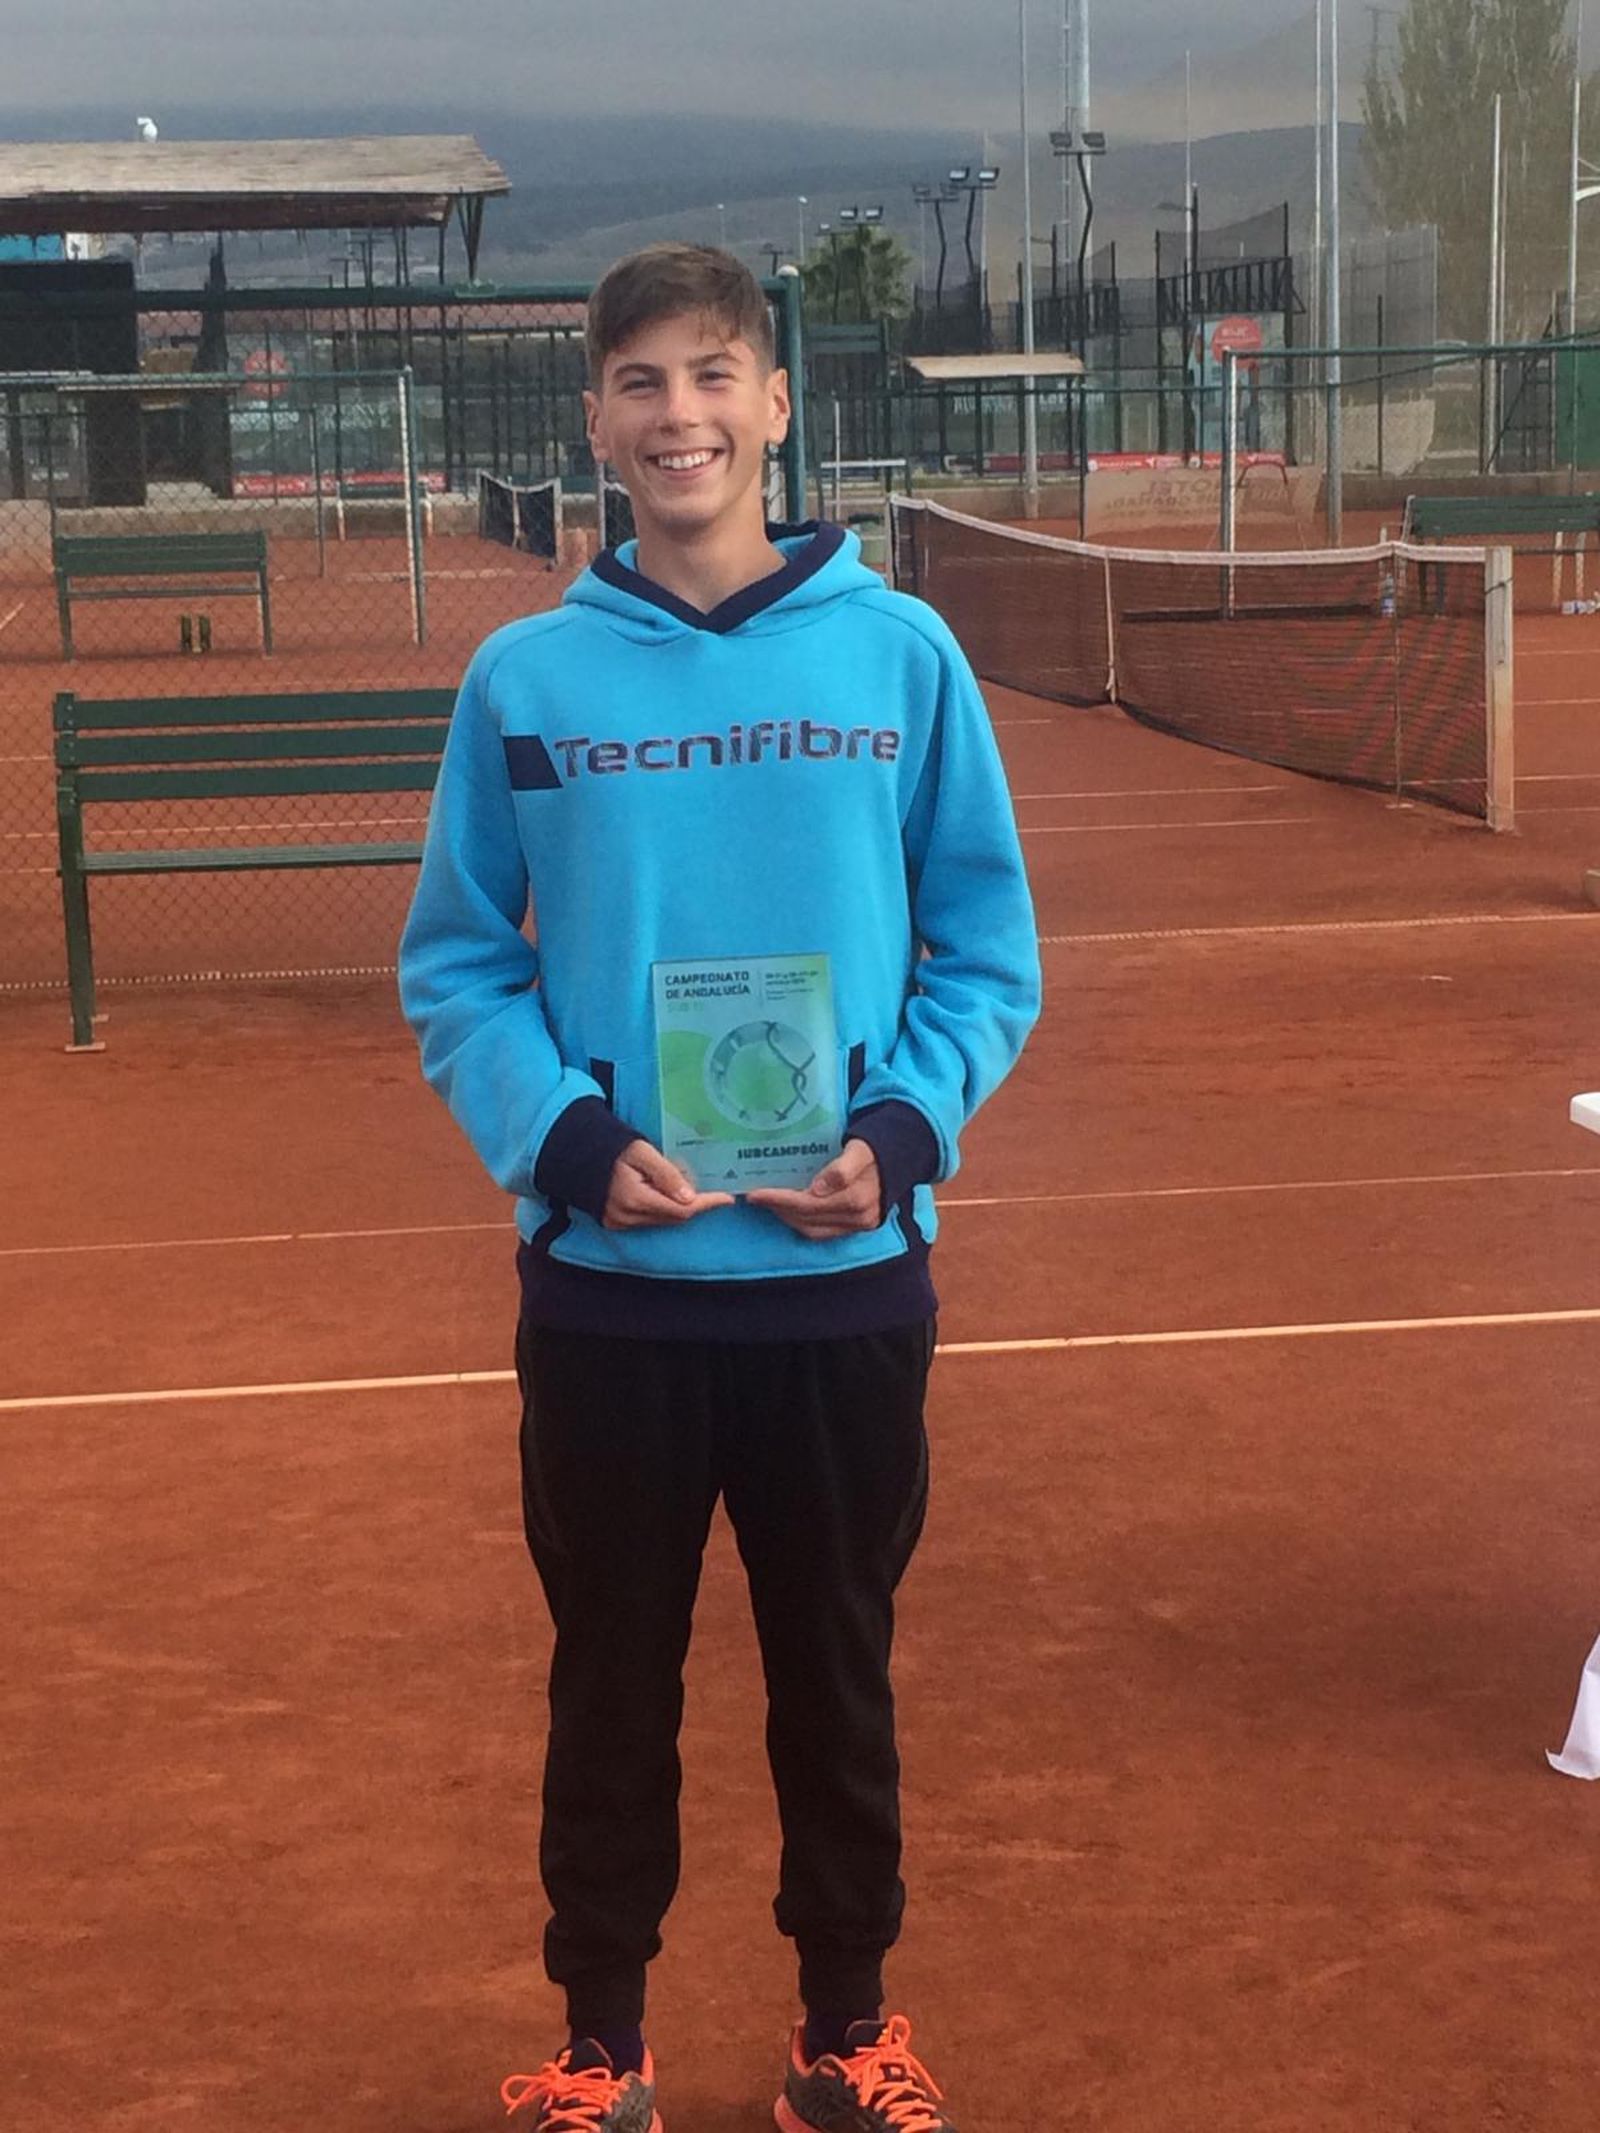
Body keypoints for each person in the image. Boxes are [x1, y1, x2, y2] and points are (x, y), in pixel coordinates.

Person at [398, 242, 1040, 2133]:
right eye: (639, 384)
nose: (678, 415)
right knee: (611, 1679)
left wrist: (908, 1131)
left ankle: (846, 2030)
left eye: (712, 376)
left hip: (846, 1289)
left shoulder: (901, 652)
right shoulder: (525, 673)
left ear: (774, 405)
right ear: (593, 426)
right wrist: (572, 1140)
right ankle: (602, 2044)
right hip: (610, 1293)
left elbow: (985, 946)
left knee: (835, 1674)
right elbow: (457, 959)